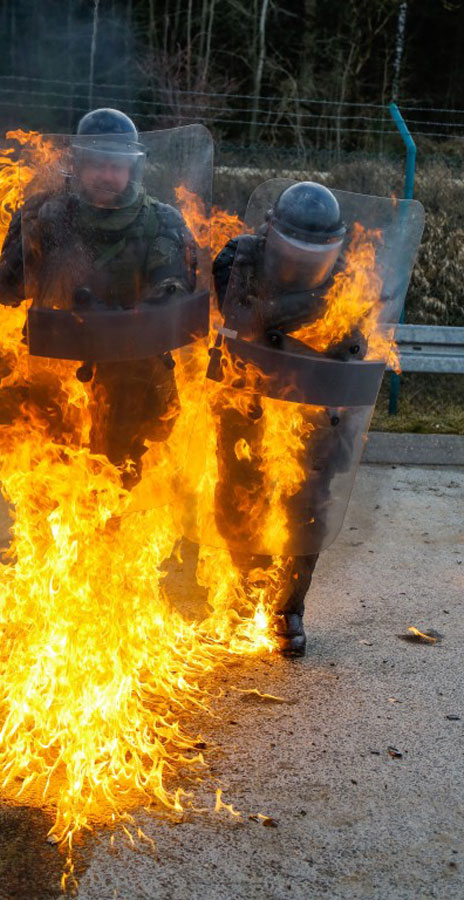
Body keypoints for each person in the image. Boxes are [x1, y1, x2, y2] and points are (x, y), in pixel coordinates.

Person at [0, 108, 198, 488]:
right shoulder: (45, 212)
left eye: (117, 166)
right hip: (55, 368)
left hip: (131, 371)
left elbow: (173, 300)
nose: (107, 175)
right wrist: (34, 233)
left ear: (132, 170)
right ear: (78, 166)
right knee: (49, 478)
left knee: (116, 482)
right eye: (97, 165)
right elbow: (5, 291)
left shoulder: (161, 221)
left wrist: (113, 319)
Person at [211, 181, 365, 657]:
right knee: (242, 496)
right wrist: (310, 310)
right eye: (293, 250)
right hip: (248, 400)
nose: (302, 263)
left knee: (309, 508)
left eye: (314, 253)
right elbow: (244, 321)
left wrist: (291, 321)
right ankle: (247, 596)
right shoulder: (240, 258)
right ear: (271, 231)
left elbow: (353, 344)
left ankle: (288, 610)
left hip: (315, 406)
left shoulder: (347, 276)